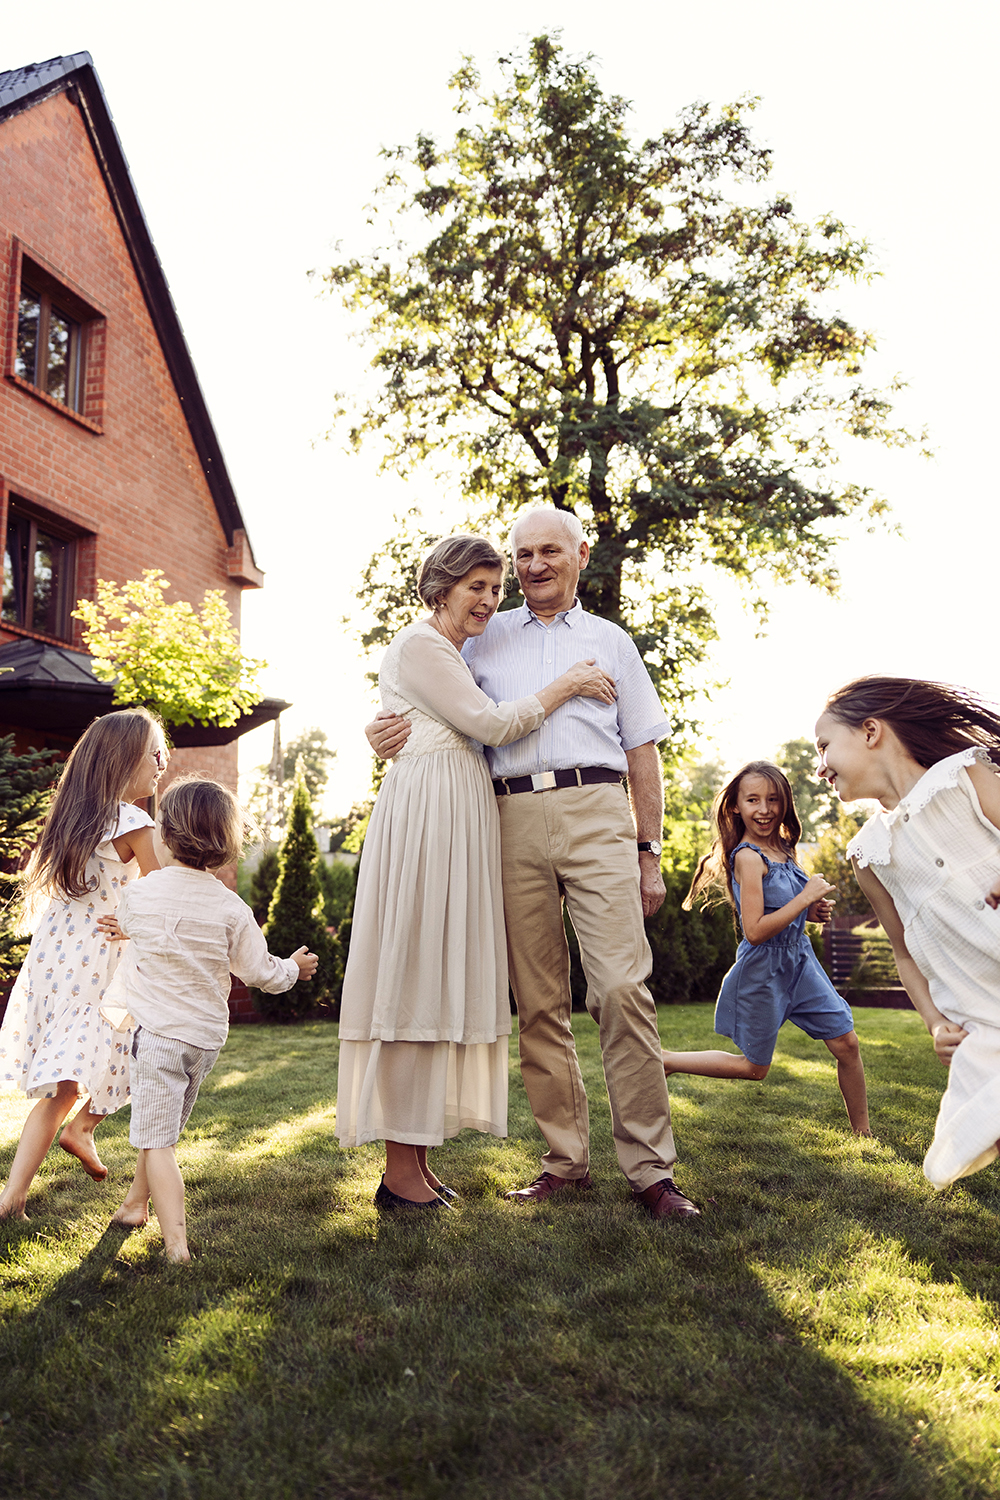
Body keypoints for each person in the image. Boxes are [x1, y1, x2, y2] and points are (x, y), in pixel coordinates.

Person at [367, 508, 699, 1219]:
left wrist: (648, 849)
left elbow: (643, 748)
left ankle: (650, 1171)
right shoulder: (484, 637)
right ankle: (564, 1162)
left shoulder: (611, 642)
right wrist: (378, 728)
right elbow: (427, 698)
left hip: (596, 808)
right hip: (506, 817)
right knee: (537, 1001)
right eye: (523, 555)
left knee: (620, 989)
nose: (533, 566)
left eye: (549, 551)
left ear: (580, 555)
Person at [339, 533, 616, 1211]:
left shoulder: (450, 652)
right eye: (478, 588)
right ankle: (399, 1172)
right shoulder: (423, 645)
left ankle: (418, 1161)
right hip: (429, 821)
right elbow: (491, 725)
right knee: (414, 980)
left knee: (435, 980)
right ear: (442, 587)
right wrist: (570, 682)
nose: (491, 601)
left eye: (497, 590)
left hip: (456, 815)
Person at [100, 777, 318, 1261]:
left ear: (166, 836)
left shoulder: (141, 895)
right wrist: (294, 969)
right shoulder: (232, 908)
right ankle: (135, 1205)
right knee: (161, 1130)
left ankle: (176, 1244)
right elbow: (260, 971)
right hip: (203, 1043)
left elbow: (134, 923)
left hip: (158, 1039)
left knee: (158, 1141)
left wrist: (125, 929)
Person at [815, 675, 1000, 1188]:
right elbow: (904, 953)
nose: (819, 767)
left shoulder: (964, 776)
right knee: (959, 1144)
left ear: (870, 731)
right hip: (982, 1012)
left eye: (825, 746)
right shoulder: (869, 853)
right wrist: (935, 1024)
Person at [0, 708, 165, 1221]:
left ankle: (14, 1195)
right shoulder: (135, 822)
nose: (162, 762)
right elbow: (164, 895)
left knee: (64, 1085)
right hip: (101, 963)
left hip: (56, 963)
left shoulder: (72, 820)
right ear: (123, 761)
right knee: (139, 1051)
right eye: (153, 754)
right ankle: (83, 1128)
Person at [660, 761, 871, 1133]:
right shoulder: (747, 857)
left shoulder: (784, 848)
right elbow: (755, 930)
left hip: (800, 963)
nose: (764, 809)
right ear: (735, 806)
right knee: (755, 1069)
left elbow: (787, 912)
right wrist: (804, 897)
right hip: (763, 970)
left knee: (847, 1043)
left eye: (773, 799)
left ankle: (864, 1133)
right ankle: (667, 1061)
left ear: (784, 803)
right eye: (753, 800)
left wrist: (812, 911)